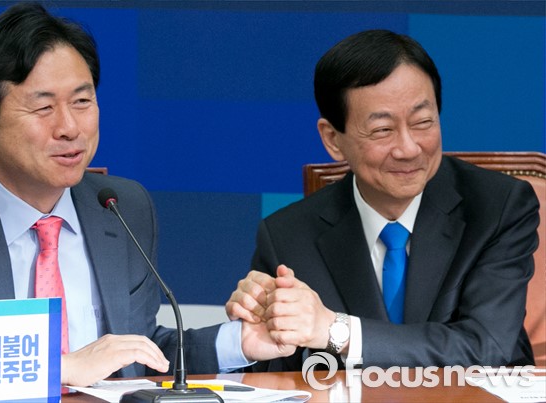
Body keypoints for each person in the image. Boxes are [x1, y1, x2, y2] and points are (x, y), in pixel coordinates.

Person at [0, 2, 293, 391]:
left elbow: (137, 351)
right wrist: (56, 366)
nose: (70, 127)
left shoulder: (122, 206)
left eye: (82, 101)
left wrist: (238, 341)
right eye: (43, 107)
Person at [226, 29, 539, 371]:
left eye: (423, 122)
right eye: (383, 130)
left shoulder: (497, 207)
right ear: (333, 139)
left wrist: (335, 331)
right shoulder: (286, 236)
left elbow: (485, 348)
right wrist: (259, 326)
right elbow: (278, 375)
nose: (408, 148)